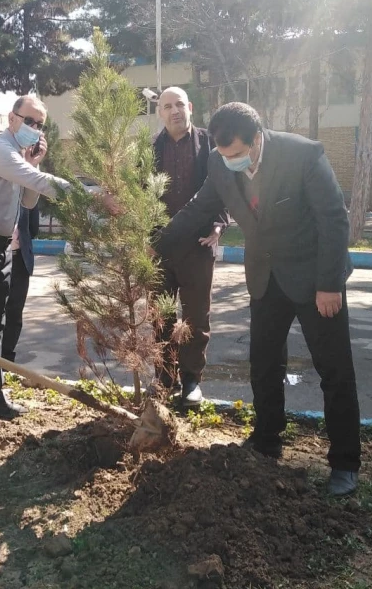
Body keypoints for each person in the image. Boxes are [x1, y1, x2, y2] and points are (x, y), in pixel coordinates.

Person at [154, 102, 361, 496]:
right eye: (223, 153)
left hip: (316, 279)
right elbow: (198, 209)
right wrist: (156, 243)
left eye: (236, 153)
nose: (229, 160)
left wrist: (329, 284)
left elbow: (334, 219)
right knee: (264, 364)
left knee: (334, 371)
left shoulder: (302, 155)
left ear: (257, 138)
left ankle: (344, 464)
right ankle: (267, 441)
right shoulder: (219, 163)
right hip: (265, 279)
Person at [0, 95, 118, 433]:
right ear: (11, 118)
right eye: (28, 120)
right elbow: (40, 185)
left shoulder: (18, 156)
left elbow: (29, 201)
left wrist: (34, 164)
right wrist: (92, 195)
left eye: (39, 124)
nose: (33, 128)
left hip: (2, 246)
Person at [151, 87, 228, 407]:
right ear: (159, 112)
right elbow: (139, 194)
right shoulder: (149, 149)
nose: (174, 111)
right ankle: (164, 378)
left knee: (196, 317)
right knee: (161, 317)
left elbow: (225, 186)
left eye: (179, 104)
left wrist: (219, 224)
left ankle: (192, 381)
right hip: (158, 248)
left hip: (197, 245)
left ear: (190, 107)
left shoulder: (210, 144)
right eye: (167, 106)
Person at [0, 204, 40, 364]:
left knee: (15, 312)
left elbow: (33, 228)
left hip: (19, 260)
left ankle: (7, 361)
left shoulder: (27, 194)